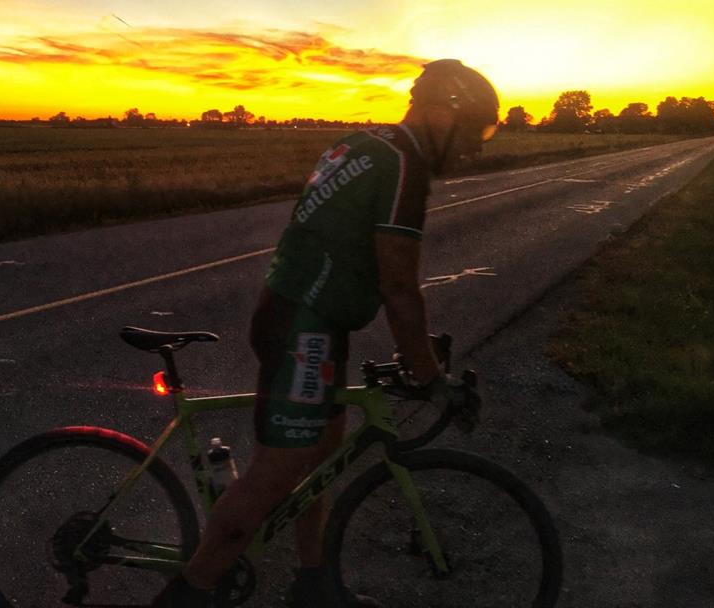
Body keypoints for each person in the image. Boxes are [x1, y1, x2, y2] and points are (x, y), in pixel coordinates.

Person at [152, 59, 500, 608]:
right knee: (277, 474)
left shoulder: (361, 144)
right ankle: (189, 593)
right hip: (303, 328)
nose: (475, 148)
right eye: (475, 130)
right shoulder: (403, 166)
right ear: (439, 113)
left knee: (319, 461)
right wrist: (432, 378)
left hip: (305, 317)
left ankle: (315, 586)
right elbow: (400, 286)